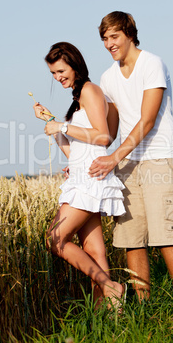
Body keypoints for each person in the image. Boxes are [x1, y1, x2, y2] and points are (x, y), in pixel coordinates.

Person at [89, 11, 173, 300]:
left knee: (167, 237)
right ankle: (144, 310)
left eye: (114, 36)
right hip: (127, 162)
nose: (109, 43)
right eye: (104, 39)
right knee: (132, 240)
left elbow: (146, 121)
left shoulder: (152, 64)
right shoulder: (107, 78)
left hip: (159, 158)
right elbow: (107, 132)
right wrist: (87, 160)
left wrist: (114, 157)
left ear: (130, 34)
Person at [33, 42, 126, 308]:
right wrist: (51, 124)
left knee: (55, 239)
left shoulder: (89, 90)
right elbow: (74, 153)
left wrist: (62, 125)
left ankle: (110, 287)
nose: (58, 77)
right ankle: (107, 313)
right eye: (53, 73)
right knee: (94, 249)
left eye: (61, 70)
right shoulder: (78, 98)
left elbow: (103, 136)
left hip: (89, 180)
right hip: (82, 175)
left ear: (75, 65)